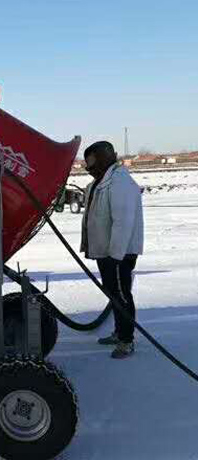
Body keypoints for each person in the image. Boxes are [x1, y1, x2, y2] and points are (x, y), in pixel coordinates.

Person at [81, 141, 144, 359]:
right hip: (106, 251)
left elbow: (123, 222)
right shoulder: (102, 182)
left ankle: (126, 340)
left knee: (121, 294)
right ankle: (119, 332)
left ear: (104, 158)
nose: (88, 168)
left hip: (118, 253)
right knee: (114, 292)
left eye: (91, 162)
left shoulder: (119, 182)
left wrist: (116, 255)